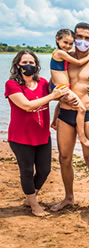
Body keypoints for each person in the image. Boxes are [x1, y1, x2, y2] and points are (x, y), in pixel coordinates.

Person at [50, 22, 89, 215]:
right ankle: (68, 198)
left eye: (87, 38)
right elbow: (56, 85)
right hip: (64, 113)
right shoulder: (64, 59)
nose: (82, 41)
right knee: (64, 158)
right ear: (73, 38)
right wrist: (55, 113)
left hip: (88, 115)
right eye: (79, 37)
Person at [4, 50, 68, 217]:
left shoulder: (43, 83)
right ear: (17, 65)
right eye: (25, 62)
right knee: (26, 171)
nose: (28, 65)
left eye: (32, 63)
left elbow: (58, 97)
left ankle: (30, 197)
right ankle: (34, 205)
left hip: (42, 136)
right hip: (20, 137)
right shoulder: (12, 85)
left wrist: (55, 117)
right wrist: (52, 95)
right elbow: (26, 105)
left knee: (44, 170)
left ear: (37, 65)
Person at [50, 28, 89, 147]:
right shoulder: (60, 53)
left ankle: (54, 122)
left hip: (60, 86)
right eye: (65, 42)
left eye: (71, 43)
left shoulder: (59, 53)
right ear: (57, 39)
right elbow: (79, 63)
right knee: (81, 109)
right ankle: (82, 136)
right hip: (62, 87)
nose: (68, 46)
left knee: (60, 104)